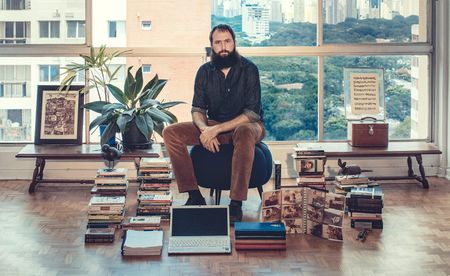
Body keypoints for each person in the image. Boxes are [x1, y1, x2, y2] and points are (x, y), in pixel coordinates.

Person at [162, 24, 265, 224]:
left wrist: (215, 130)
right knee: (170, 133)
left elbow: (251, 113)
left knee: (244, 130)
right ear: (212, 46)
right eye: (218, 42)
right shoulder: (204, 72)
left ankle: (236, 203)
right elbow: (197, 109)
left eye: (227, 41)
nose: (223, 46)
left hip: (248, 125)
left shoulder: (250, 69)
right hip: (214, 124)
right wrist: (204, 129)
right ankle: (194, 195)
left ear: (234, 43)